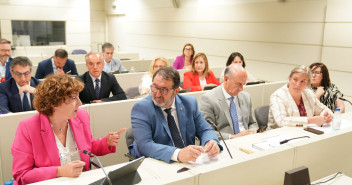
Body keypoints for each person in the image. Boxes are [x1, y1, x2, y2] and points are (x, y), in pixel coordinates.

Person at [11, 74, 126, 185]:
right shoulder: (28, 128)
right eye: (73, 98)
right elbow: (22, 175)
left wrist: (106, 142)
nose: (80, 103)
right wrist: (59, 171)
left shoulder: (81, 116)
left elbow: (88, 148)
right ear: (54, 103)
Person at [129, 67, 222, 163]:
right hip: (158, 162)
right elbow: (145, 145)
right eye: (155, 87)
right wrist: (177, 154)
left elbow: (205, 129)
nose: (157, 94)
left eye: (164, 90)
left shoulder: (189, 103)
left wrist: (211, 141)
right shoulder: (141, 108)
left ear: (176, 91)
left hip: (188, 163)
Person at [200, 64, 258, 139]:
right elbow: (206, 131)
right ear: (226, 79)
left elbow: (252, 123)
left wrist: (252, 131)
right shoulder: (208, 99)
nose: (241, 89)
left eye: (243, 84)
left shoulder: (246, 96)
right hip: (227, 142)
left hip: (247, 139)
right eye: (238, 84)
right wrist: (232, 137)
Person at [268, 65, 333, 129]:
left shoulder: (308, 93)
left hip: (304, 133)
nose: (298, 84)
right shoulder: (277, 96)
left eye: (303, 81)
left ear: (307, 84)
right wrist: (311, 120)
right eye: (295, 80)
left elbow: (322, 109)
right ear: (289, 79)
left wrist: (327, 116)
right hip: (279, 135)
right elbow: (281, 121)